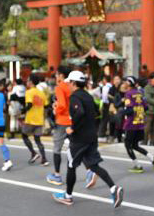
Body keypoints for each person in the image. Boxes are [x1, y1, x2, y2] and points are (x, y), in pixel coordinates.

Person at [53, 71, 123, 208]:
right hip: (91, 136)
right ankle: (114, 188)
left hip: (79, 138)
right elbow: (96, 112)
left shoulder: (75, 97)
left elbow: (79, 113)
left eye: (68, 83)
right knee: (93, 165)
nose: (67, 85)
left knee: (71, 166)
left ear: (73, 83)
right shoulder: (88, 96)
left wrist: (73, 128)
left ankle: (68, 196)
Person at [122, 76, 154, 173]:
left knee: (128, 145)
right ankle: (153, 159)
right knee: (134, 145)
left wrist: (121, 112)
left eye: (126, 81)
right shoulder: (139, 93)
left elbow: (129, 109)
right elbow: (146, 108)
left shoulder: (128, 94)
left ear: (129, 83)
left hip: (131, 124)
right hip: (139, 123)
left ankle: (138, 166)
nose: (124, 83)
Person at [22, 74, 49, 166]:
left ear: (31, 82)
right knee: (38, 140)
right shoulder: (42, 93)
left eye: (28, 80)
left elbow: (29, 105)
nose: (27, 82)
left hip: (30, 119)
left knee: (24, 136)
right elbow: (46, 106)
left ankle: (33, 153)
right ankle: (44, 159)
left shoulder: (29, 92)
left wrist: (22, 111)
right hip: (39, 119)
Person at [98, 75, 113, 142]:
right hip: (111, 105)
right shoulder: (112, 87)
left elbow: (104, 98)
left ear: (105, 79)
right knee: (109, 120)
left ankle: (102, 135)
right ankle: (109, 134)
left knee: (104, 120)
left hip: (106, 104)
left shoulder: (105, 87)